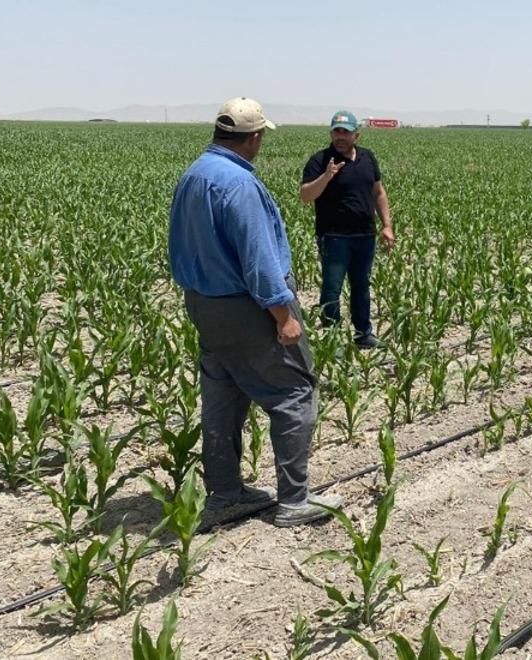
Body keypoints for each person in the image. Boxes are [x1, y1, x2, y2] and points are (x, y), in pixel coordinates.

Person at [168, 97, 342, 528]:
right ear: (255, 137)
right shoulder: (239, 185)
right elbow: (259, 260)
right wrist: (283, 315)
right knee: (294, 392)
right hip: (247, 308)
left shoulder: (194, 174)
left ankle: (225, 494)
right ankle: (294, 502)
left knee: (223, 396)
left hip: (205, 306)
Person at [300, 110, 394, 349]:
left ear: (356, 135)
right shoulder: (320, 161)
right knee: (332, 289)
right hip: (334, 237)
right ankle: (333, 341)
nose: (340, 136)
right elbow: (305, 196)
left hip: (365, 235)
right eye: (336, 131)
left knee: (361, 286)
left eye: (345, 132)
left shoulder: (368, 158)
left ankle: (364, 334)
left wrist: (387, 225)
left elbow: (378, 192)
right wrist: (327, 176)